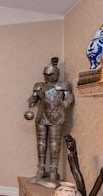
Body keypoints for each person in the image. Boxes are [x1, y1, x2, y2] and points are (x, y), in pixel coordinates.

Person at [26, 57, 74, 188]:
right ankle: (41, 170)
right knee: (41, 144)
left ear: (56, 74)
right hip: (42, 116)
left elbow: (69, 99)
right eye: (46, 75)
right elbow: (34, 98)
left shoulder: (63, 85)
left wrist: (61, 105)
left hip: (56, 117)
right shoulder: (39, 85)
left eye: (50, 74)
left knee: (54, 145)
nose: (48, 77)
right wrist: (31, 100)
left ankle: (53, 171)